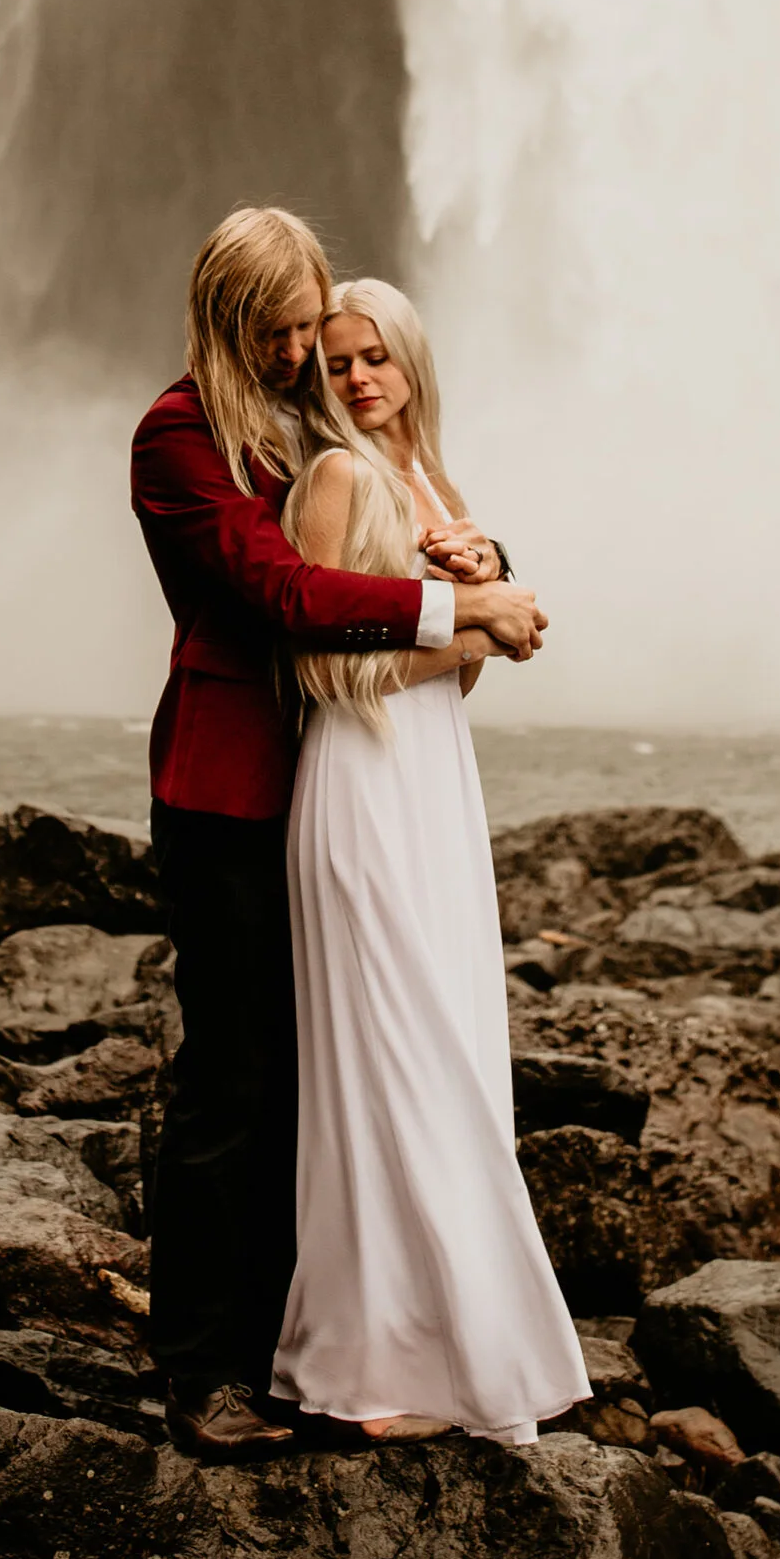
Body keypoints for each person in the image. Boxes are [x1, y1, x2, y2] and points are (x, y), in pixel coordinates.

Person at [132, 205, 546, 1458]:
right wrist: (465, 604)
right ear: (230, 321)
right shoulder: (180, 436)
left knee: (323, 1071)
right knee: (234, 1079)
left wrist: (478, 559)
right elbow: (286, 593)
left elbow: (382, 505)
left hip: (329, 779)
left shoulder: (304, 419)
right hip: (225, 790)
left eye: (317, 328)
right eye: (286, 331)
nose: (310, 352)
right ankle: (202, 1372)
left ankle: (303, 1339)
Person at [270, 277, 589, 1444]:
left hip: (434, 792)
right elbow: (317, 666)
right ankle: (369, 1366)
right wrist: (478, 615)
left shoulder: (436, 488)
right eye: (337, 362)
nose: (356, 378)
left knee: (452, 1046)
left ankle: (446, 1356)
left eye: (376, 358)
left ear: (412, 362)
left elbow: (458, 677)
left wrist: (481, 611)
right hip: (359, 789)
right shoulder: (339, 479)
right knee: (394, 1066)